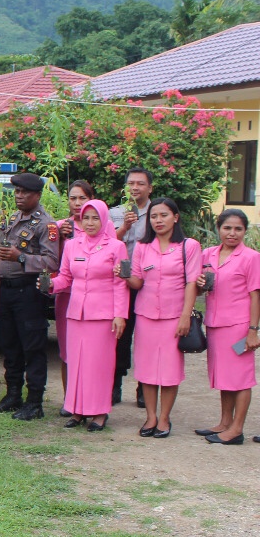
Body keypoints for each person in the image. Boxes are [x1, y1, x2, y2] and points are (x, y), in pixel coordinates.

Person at [124, 197, 200, 438]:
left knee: (169, 370)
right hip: (146, 315)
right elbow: (137, 281)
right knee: (146, 370)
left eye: (164, 215)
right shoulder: (143, 247)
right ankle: (150, 417)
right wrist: (124, 275)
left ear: (175, 217)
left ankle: (165, 418)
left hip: (174, 316)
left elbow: (191, 284)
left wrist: (185, 316)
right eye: (154, 216)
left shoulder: (189, 246)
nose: (158, 220)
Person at [50, 200, 128, 429]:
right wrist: (49, 284)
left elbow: (120, 283)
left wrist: (120, 314)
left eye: (95, 218)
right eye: (86, 218)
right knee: (77, 363)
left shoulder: (115, 246)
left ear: (104, 220)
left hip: (103, 315)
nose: (90, 223)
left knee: (99, 365)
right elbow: (65, 277)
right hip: (76, 314)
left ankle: (99, 413)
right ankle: (77, 410)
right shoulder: (73, 245)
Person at [0, 173, 61, 421]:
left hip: (29, 292)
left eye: (25, 193)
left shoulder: (46, 224)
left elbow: (52, 261)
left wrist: (21, 257)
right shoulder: (12, 219)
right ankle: (13, 394)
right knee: (9, 346)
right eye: (17, 192)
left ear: (37, 195)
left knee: (32, 347)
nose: (19, 197)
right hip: (9, 290)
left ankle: (34, 402)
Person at [197, 209, 260, 445]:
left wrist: (253, 330)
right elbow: (203, 288)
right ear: (219, 228)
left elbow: (256, 295)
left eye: (238, 229)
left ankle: (237, 429)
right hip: (215, 323)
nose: (232, 233)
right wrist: (201, 284)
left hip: (239, 326)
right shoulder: (209, 254)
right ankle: (225, 422)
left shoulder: (251, 257)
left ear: (245, 231)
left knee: (241, 378)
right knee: (225, 377)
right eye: (227, 228)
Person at [110, 168, 155, 407]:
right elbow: (106, 243)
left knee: (146, 337)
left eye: (140, 183)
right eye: (131, 183)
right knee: (121, 335)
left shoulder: (158, 213)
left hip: (149, 283)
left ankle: (143, 388)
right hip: (123, 281)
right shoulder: (116, 213)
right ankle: (115, 384)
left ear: (150, 188)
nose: (135, 187)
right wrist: (125, 227)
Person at [53, 180, 98, 414]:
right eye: (72, 198)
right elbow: (54, 263)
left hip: (94, 298)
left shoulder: (100, 225)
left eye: (82, 198)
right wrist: (61, 238)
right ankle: (69, 400)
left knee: (91, 352)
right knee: (67, 351)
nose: (77, 203)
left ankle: (90, 400)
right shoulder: (62, 226)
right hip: (67, 295)